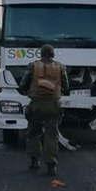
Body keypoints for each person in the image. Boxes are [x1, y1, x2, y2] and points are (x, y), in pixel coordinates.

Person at [18, 44, 69, 177]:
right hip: (53, 105)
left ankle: (34, 160)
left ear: (41, 54)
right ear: (53, 54)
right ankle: (51, 165)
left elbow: (23, 85)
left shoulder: (33, 66)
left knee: (33, 133)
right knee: (52, 135)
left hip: (36, 105)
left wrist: (25, 91)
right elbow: (66, 86)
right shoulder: (60, 67)